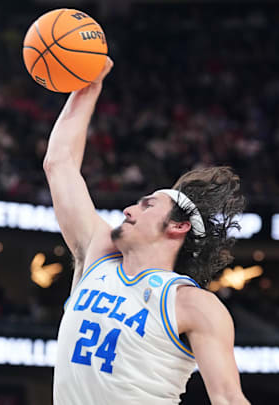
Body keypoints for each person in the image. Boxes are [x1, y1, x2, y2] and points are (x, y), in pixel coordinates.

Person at [44, 58, 250, 404]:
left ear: (178, 226)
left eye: (146, 205)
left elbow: (229, 399)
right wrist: (87, 88)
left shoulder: (192, 304)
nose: (128, 209)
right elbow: (59, 163)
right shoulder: (98, 256)